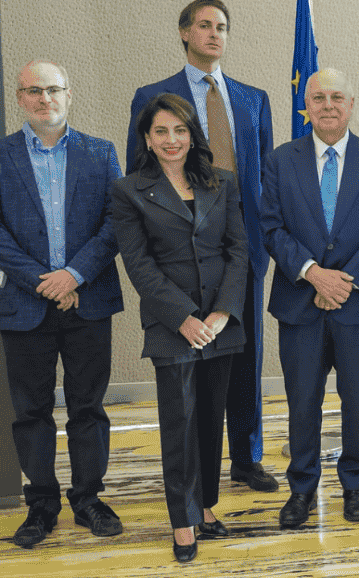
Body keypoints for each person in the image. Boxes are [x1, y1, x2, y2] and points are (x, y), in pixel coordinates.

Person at [0, 60, 124, 548]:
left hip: (89, 299)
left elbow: (115, 222)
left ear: (68, 94)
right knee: (31, 411)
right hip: (23, 303)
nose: (44, 99)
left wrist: (74, 274)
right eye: (33, 91)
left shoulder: (100, 154)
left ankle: (88, 500)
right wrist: (46, 281)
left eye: (52, 89)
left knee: (88, 407)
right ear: (20, 99)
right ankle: (41, 505)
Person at [127, 0, 277, 493]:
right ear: (185, 32)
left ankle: (247, 458)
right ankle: (194, 467)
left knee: (244, 358)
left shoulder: (253, 99)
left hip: (242, 251)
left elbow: (263, 179)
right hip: (178, 252)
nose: (215, 33)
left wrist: (264, 245)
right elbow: (139, 176)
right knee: (188, 359)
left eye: (223, 27)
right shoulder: (153, 96)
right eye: (205, 25)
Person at [262, 68, 359, 529]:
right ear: (307, 105)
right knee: (303, 400)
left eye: (337, 96)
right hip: (300, 302)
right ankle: (301, 490)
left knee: (357, 399)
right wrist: (314, 275)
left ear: (351, 103)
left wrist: (343, 282)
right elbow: (271, 227)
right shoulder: (281, 161)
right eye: (318, 97)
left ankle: (355, 486)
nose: (327, 105)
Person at [111, 93, 248, 563]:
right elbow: (139, 265)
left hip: (220, 323)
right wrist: (185, 318)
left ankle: (206, 506)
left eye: (180, 131)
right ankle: (183, 520)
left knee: (211, 421)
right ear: (147, 139)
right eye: (161, 132)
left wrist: (222, 313)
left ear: (193, 136)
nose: (172, 140)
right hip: (173, 326)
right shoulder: (128, 190)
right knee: (181, 424)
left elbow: (239, 252)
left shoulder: (222, 182)